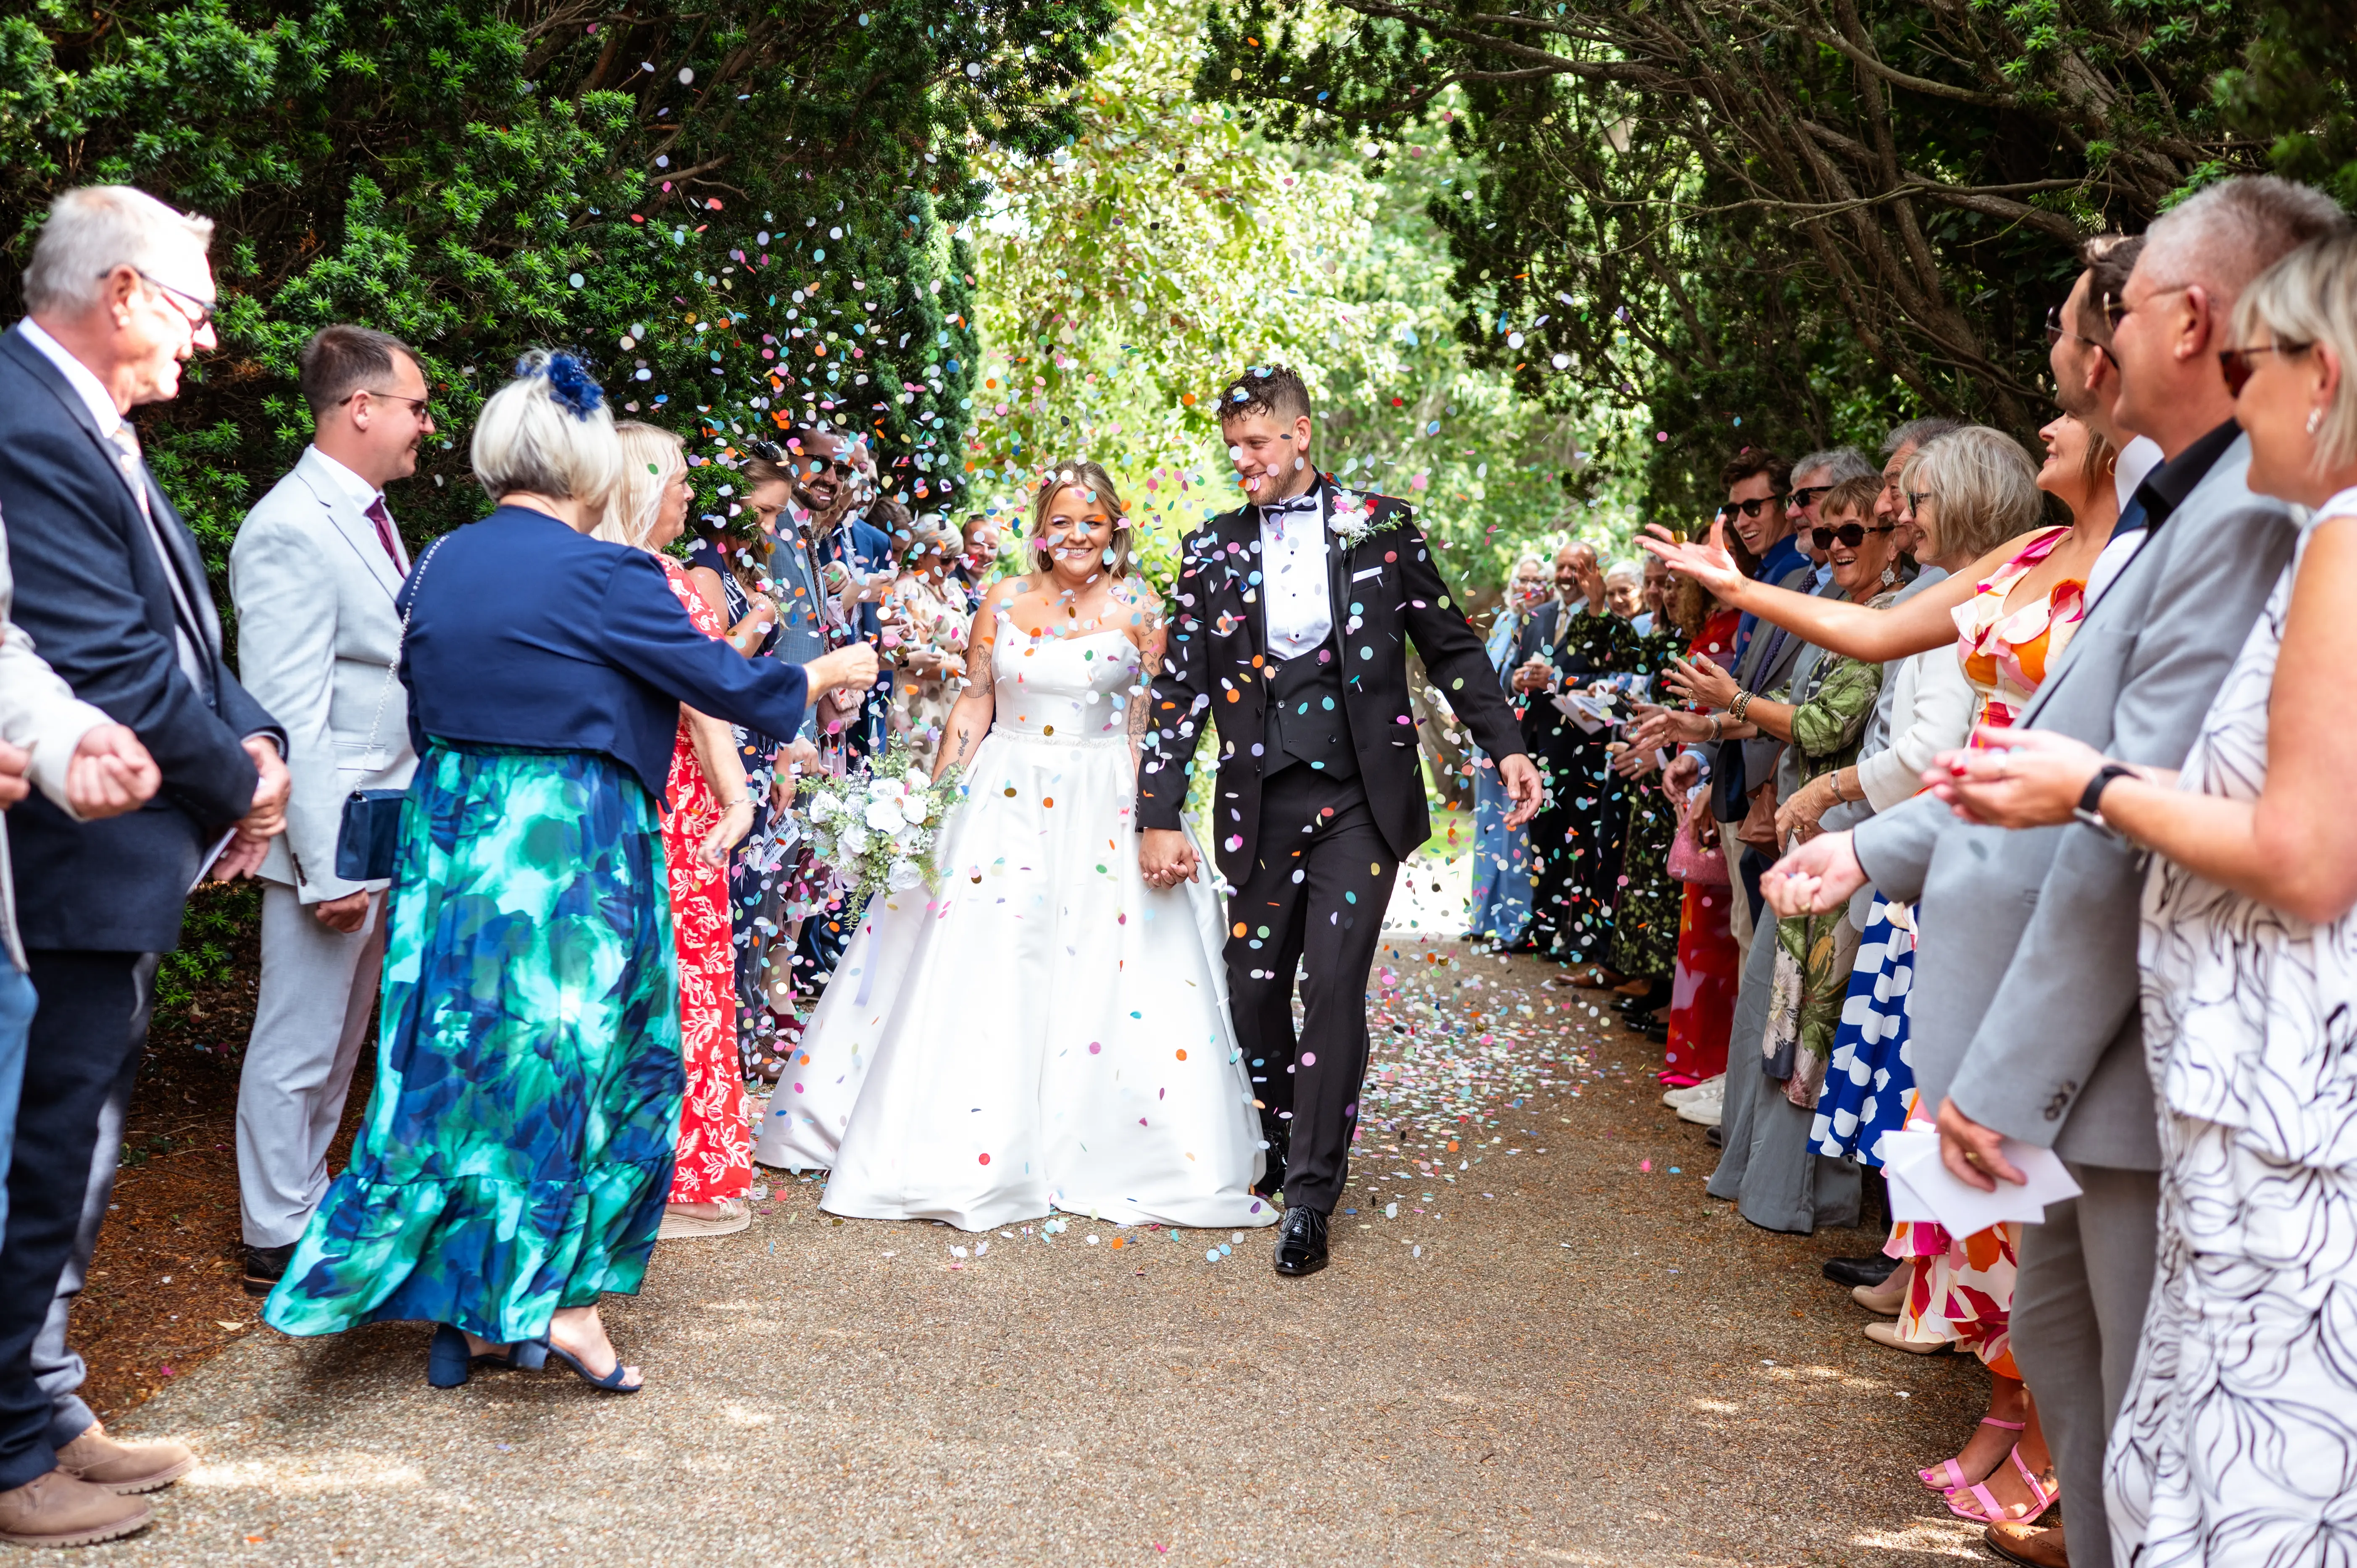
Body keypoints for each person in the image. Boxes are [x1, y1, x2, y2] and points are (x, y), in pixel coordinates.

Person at [1766, 175, 2343, 1568]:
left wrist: (2011, 1072)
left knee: (2205, 1446)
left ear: (2200, 322)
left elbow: (2224, 831)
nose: (2085, 352)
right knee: (2104, 1401)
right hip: (2177, 1065)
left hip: (2216, 1072)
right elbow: (2055, 769)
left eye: (2120, 311)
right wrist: (1874, 843)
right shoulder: (2189, 505)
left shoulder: (2276, 524)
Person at [260, 352, 876, 1395]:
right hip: (567, 844)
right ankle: (566, 1305)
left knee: (463, 1075)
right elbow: (717, 682)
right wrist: (821, 672)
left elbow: (425, 690)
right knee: (590, 1066)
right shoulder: (611, 574)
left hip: (456, 840)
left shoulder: (444, 559)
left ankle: (469, 1306)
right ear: (587, 464)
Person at [1915, 226, 2357, 1568]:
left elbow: (2305, 852)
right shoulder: (2288, 528)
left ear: (2320, 374)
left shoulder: (2328, 537)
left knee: (2257, 1485)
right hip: (2234, 1080)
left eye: (2259, 360)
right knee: (2194, 1461)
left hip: (2280, 1090)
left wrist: (2093, 786)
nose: (2242, 379)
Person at [753, 460, 1272, 1231]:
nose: (1076, 536)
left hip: (1103, 792)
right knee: (991, 951)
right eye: (1061, 521)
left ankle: (1110, 1144)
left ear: (1115, 528)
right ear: (1040, 529)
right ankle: (967, 1136)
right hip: (1005, 792)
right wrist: (932, 804)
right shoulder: (1001, 598)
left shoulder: (1139, 604)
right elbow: (973, 702)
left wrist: (1156, 817)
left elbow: (1147, 724)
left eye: (1091, 522)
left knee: (1105, 960)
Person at [0, 185, 293, 1547]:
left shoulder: (91, 420)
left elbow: (181, 631)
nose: (206, 336)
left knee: (79, 1148)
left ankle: (47, 1408)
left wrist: (258, 734)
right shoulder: (23, 413)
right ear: (121, 293)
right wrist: (241, 787)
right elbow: (101, 660)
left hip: (115, 856)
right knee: (39, 1148)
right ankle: (11, 1449)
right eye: (191, 305)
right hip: (62, 854)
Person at [1137, 365, 1542, 1278]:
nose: (1241, 460)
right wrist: (1156, 810)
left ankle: (1312, 1194)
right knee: (1251, 990)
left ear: (1300, 434)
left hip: (1362, 798)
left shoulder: (1381, 524)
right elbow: (1179, 692)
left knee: (1332, 986)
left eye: (1256, 443)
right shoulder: (1210, 548)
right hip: (1260, 799)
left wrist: (1506, 743)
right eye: (1231, 446)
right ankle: (1282, 1142)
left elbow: (1449, 644)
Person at [226, 325, 435, 1299]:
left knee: (342, 1036)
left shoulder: (368, 516)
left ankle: (308, 1198)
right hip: (330, 838)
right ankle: (273, 1225)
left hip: (379, 822)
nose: (424, 427)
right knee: (300, 1033)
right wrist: (326, 867)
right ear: (361, 408)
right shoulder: (289, 528)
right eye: (415, 408)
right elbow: (285, 715)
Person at [592, 421, 762, 1241]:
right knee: (687, 982)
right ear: (639, 484)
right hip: (678, 805)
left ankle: (622, 1164)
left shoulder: (589, 572)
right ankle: (684, 1175)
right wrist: (736, 796)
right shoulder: (660, 579)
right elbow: (704, 700)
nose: (691, 491)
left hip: (612, 794)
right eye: (679, 477)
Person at [1509, 541, 1637, 970]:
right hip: (1542, 749)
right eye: (1561, 567)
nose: (1566, 575)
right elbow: (1515, 667)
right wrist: (1518, 679)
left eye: (1576, 568)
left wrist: (1558, 679)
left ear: (1593, 572)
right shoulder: (1539, 616)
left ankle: (1581, 934)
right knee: (1544, 843)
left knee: (1586, 848)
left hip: (1589, 753)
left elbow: (1614, 679)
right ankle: (1543, 926)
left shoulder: (1606, 618)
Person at [1468, 556, 1547, 947]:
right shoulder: (1504, 622)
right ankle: (1482, 917)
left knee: (1514, 834)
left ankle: (1514, 924)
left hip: (1521, 744)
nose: (1528, 586)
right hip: (1486, 742)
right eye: (1523, 579)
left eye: (1537, 580)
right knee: (1487, 828)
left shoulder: (1543, 623)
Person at [881, 512, 971, 775]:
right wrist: (965, 665)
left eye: (957, 559)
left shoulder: (951, 593)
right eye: (946, 559)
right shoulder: (907, 590)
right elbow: (913, 656)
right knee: (916, 783)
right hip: (917, 706)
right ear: (920, 554)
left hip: (951, 704)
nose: (953, 566)